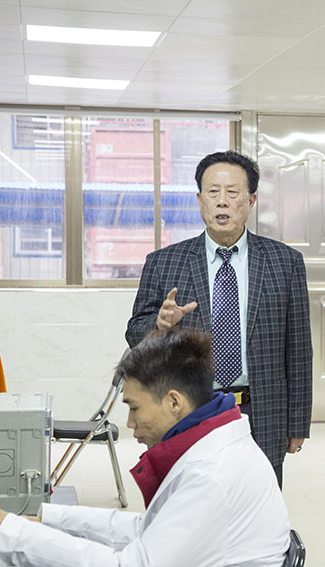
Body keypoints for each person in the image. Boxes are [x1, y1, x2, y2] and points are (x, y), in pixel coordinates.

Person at [0, 328, 291, 566]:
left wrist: (16, 534)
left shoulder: (211, 474)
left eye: (134, 408)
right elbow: (144, 528)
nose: (131, 423)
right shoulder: (213, 444)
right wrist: (48, 519)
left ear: (174, 402)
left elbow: (133, 564)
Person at [125, 150, 312, 488]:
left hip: (261, 410)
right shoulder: (164, 262)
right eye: (213, 192)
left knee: (257, 504)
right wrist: (160, 326)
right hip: (188, 410)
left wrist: (297, 422)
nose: (222, 201)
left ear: (251, 200)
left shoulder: (285, 262)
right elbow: (134, 332)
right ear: (200, 201)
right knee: (190, 502)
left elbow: (298, 348)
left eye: (232, 192)